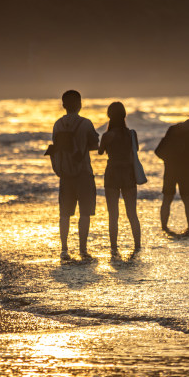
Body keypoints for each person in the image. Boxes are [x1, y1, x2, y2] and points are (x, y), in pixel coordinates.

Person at [52, 90, 99, 260]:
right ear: (80, 104)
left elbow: (56, 146)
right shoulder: (85, 124)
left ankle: (64, 249)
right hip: (84, 172)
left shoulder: (57, 124)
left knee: (64, 213)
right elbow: (95, 145)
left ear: (63, 105)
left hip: (65, 174)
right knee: (84, 213)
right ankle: (83, 249)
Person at [98, 101, 141, 256]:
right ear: (124, 115)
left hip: (112, 174)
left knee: (113, 214)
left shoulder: (107, 135)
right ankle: (137, 246)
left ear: (109, 116)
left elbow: (100, 152)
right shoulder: (132, 134)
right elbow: (135, 150)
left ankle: (114, 247)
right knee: (132, 213)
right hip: (128, 174)